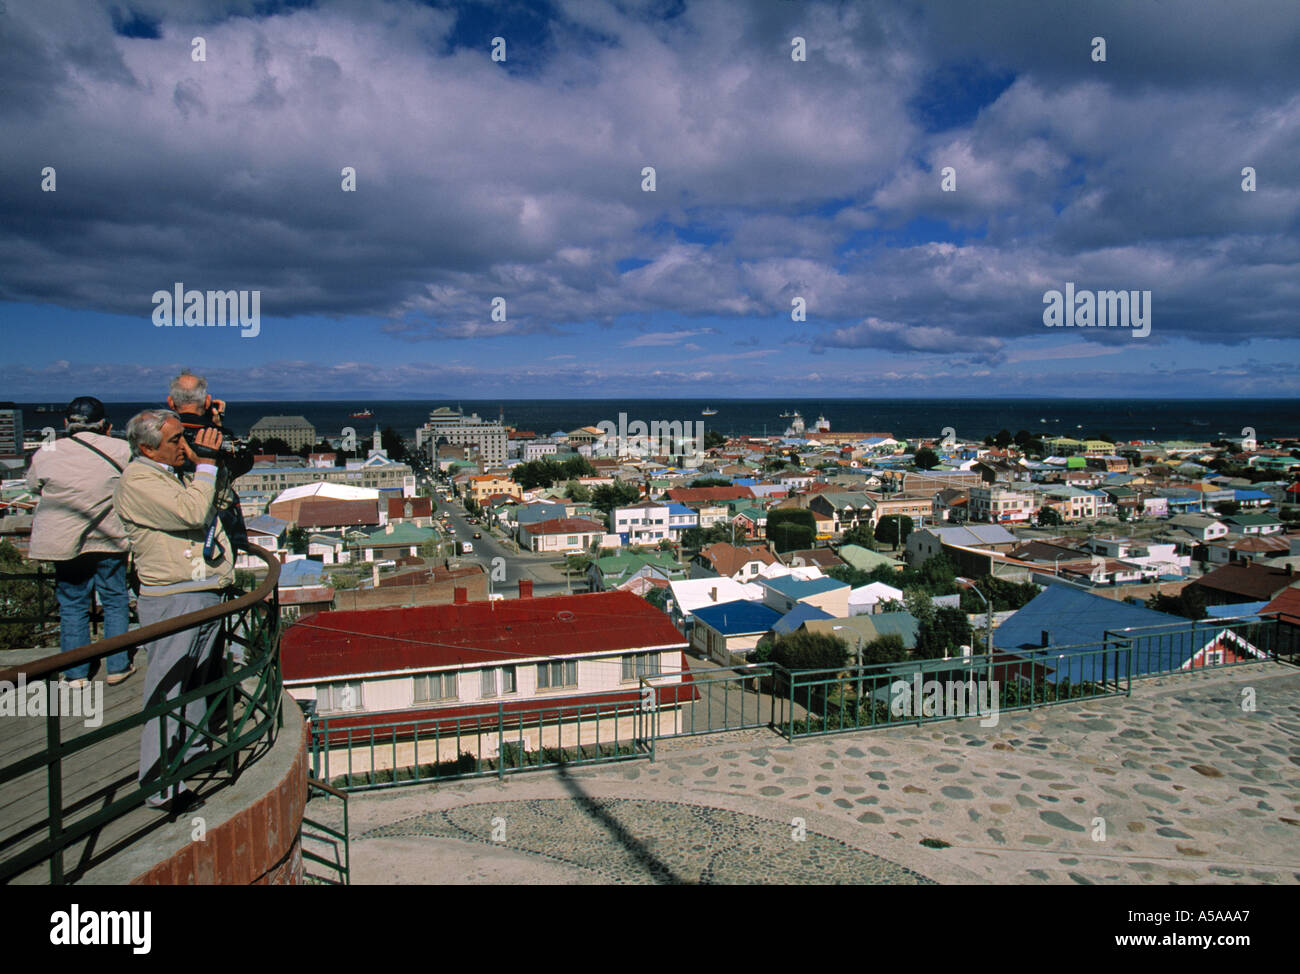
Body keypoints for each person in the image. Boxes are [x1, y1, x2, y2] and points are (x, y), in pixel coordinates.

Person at [115, 409, 234, 812]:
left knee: (194, 684)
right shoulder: (139, 481)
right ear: (147, 448)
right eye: (175, 441)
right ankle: (158, 784)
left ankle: (194, 752)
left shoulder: (170, 473)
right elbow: (192, 513)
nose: (185, 446)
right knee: (167, 691)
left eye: (185, 437)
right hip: (173, 598)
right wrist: (206, 465)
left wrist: (214, 456)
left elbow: (210, 503)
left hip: (198, 592)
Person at [25, 396, 133, 686]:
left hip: (64, 539)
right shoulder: (122, 449)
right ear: (106, 425)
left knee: (72, 603)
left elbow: (33, 485)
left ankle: (75, 672)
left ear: (66, 423)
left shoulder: (48, 451)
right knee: (114, 599)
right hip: (109, 536)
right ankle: (118, 666)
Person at [166, 369, 253, 552]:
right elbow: (242, 463)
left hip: (172, 518)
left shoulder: (160, 437)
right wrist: (216, 426)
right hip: (217, 526)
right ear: (207, 401)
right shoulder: (220, 437)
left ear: (171, 402)